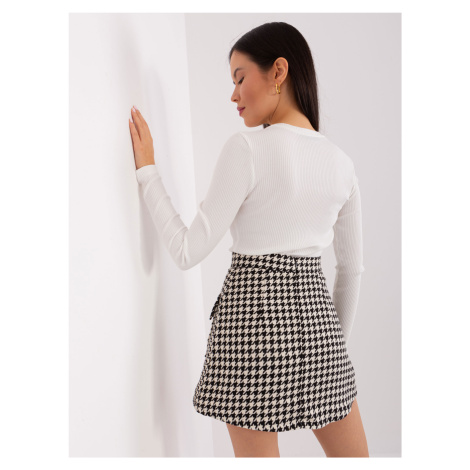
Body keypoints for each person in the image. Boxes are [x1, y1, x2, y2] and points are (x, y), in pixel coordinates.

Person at [129, 21, 369, 458]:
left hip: (250, 328)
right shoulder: (342, 164)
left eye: (240, 78)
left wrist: (147, 172)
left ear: (278, 71)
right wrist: (331, 354)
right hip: (321, 333)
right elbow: (351, 271)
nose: (233, 95)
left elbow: (187, 250)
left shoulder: (247, 149)